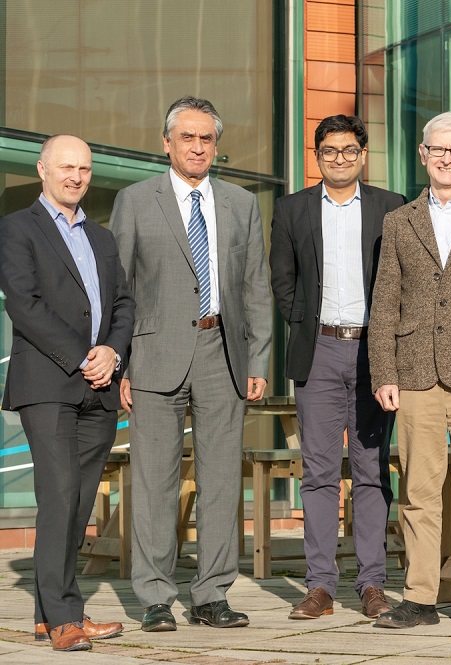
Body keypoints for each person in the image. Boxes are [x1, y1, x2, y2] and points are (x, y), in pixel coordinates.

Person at [110, 96, 272, 632]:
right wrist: (122, 363)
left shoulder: (240, 204)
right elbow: (119, 289)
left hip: (222, 351)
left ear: (216, 146)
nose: (198, 147)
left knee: (222, 479)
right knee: (154, 480)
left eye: (207, 139)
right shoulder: (136, 201)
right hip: (153, 354)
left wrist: (258, 357)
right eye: (188, 137)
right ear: (167, 143)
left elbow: (256, 288)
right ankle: (156, 596)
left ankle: (212, 594)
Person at [368, 112, 451, 630]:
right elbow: (385, 304)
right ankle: (420, 598)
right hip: (415, 373)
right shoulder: (399, 222)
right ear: (422, 155)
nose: (448, 159)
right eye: (438, 150)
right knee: (420, 492)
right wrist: (384, 371)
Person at [0, 135, 134, 651]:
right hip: (49, 383)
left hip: (99, 385)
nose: (76, 176)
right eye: (66, 167)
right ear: (42, 170)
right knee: (58, 496)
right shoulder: (16, 229)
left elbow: (123, 302)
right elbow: (24, 305)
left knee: (78, 504)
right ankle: (64, 620)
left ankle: (48, 614)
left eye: (84, 168)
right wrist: (83, 355)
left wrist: (112, 353)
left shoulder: (102, 237)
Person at [270, 114, 404, 620]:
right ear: (318, 156)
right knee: (320, 472)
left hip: (375, 354)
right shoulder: (292, 209)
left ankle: (372, 583)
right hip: (320, 352)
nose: (340, 158)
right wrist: (305, 324)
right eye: (330, 151)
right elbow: (282, 280)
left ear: (363, 154)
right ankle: (321, 586)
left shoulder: (391, 209)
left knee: (371, 472)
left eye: (349, 150)